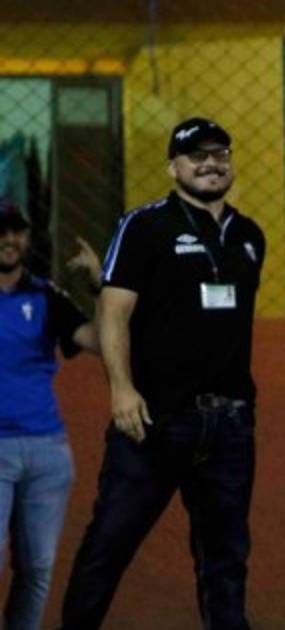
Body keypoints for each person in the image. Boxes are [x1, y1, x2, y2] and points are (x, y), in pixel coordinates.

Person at [61, 118, 267, 629]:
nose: (211, 163)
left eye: (220, 153)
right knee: (108, 546)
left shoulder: (249, 236)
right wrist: (122, 391)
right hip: (155, 420)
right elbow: (114, 314)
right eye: (197, 155)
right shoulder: (144, 226)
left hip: (230, 425)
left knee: (226, 562)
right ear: (173, 167)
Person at [0, 204, 99, 630]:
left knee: (38, 567)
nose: (9, 240)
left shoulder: (46, 295)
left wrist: (99, 284)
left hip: (47, 451)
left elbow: (98, 340)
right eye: (1, 232)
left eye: (17, 231)